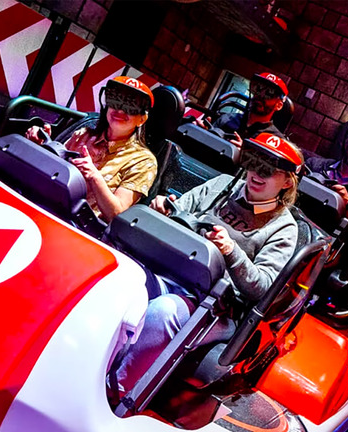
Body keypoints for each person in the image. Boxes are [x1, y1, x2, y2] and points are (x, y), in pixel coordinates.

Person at [115, 133, 303, 391]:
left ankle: (119, 389)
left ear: (287, 183)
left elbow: (261, 288)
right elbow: (181, 211)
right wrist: (165, 209)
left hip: (215, 303)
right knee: (121, 283)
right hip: (171, 269)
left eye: (269, 170)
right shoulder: (222, 185)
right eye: (254, 162)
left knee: (164, 312)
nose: (257, 173)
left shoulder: (284, 228)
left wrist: (230, 250)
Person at [26, 76, 158, 222]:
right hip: (43, 204)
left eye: (130, 107)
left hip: (81, 227)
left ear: (142, 119)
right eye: (115, 100)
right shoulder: (83, 135)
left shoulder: (143, 161)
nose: (120, 109)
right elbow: (51, 171)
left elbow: (116, 214)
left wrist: (94, 177)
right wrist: (40, 145)